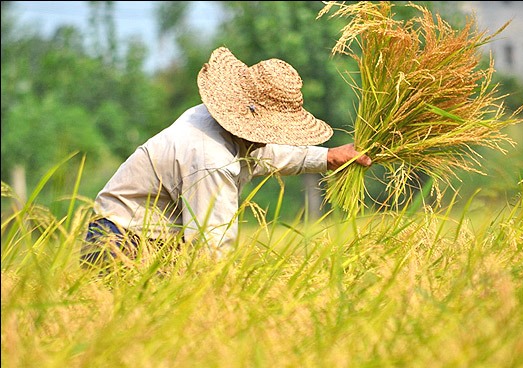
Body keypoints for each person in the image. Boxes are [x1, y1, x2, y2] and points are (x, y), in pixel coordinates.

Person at [80, 46, 372, 265]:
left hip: (146, 239)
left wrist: (328, 157)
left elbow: (267, 154)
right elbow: (211, 248)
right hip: (120, 244)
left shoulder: (211, 118)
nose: (271, 138)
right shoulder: (211, 160)